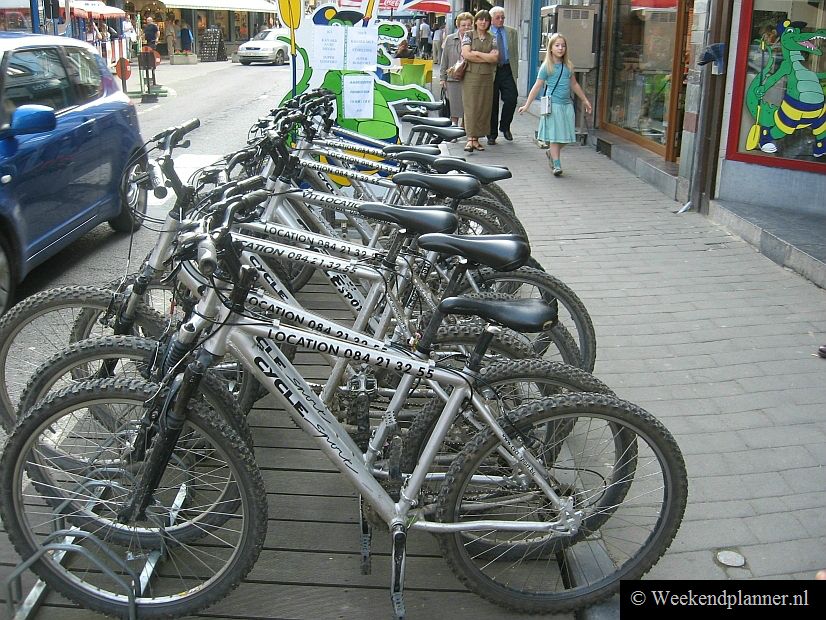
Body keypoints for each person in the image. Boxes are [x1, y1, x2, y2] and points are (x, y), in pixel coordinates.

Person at [518, 33, 592, 177]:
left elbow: (574, 84)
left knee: (566, 137)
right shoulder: (547, 66)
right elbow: (537, 86)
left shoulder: (568, 66)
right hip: (554, 106)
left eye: (563, 46)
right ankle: (557, 165)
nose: (560, 48)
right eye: (557, 45)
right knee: (555, 137)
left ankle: (551, 153)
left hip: (566, 106)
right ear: (550, 48)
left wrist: (584, 99)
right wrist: (527, 105)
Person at [460, 10, 498, 152]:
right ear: (476, 21)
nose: (483, 22)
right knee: (471, 107)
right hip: (471, 76)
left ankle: (477, 139)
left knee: (483, 107)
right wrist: (485, 57)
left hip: (487, 77)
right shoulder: (469, 35)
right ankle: (470, 138)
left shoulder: (492, 37)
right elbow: (466, 54)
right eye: (480, 19)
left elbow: (495, 58)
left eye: (486, 20)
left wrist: (477, 53)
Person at [487, 6, 519, 145]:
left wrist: (515, 72)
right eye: (497, 17)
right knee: (492, 103)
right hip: (492, 71)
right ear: (491, 19)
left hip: (506, 69)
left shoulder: (511, 32)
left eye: (502, 17)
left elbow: (514, 53)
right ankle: (491, 134)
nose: (501, 20)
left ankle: (505, 126)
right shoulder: (486, 33)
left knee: (512, 98)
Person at [439, 12, 473, 127]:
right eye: (463, 25)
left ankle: (464, 127)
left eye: (469, 25)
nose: (466, 27)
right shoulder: (450, 39)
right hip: (452, 77)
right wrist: (442, 78)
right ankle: (453, 126)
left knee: (467, 104)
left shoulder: (474, 39)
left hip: (469, 77)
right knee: (454, 103)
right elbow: (444, 59)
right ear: (458, 26)